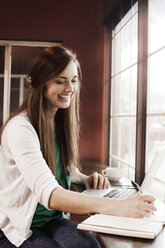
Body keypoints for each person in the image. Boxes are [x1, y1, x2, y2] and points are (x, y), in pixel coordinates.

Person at [0, 45, 156, 248]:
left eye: (74, 80)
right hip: (17, 226)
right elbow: (51, 194)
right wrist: (118, 207)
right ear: (41, 83)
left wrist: (84, 178)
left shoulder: (59, 121)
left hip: (51, 220)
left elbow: (55, 165)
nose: (70, 88)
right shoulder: (20, 128)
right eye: (60, 81)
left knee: (89, 246)